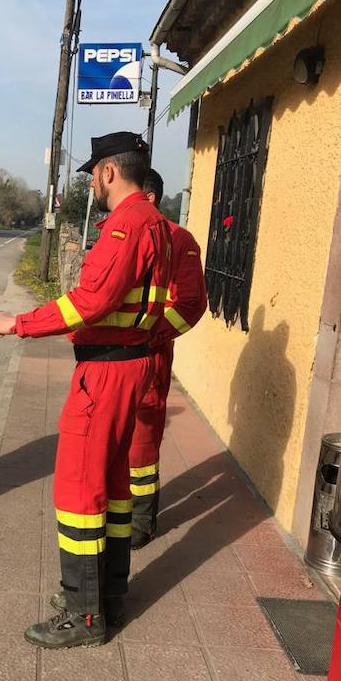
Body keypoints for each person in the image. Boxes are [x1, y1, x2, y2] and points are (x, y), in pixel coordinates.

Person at [0, 132, 172, 648]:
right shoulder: (158, 224)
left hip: (108, 374)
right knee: (115, 491)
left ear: (109, 173)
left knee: (78, 491)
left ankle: (83, 614)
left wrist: (19, 324)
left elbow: (89, 302)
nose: (92, 182)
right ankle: (107, 597)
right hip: (133, 365)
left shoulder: (125, 225)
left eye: (93, 174)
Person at [129, 169, 208, 549]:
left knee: (142, 439)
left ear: (150, 197)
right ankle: (118, 509)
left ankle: (141, 519)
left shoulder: (178, 240)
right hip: (111, 360)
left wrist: (152, 335)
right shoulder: (122, 233)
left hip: (148, 357)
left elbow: (190, 303)